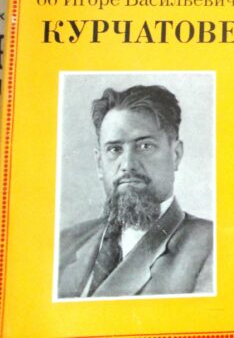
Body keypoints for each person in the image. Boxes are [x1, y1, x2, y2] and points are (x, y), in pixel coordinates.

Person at [58, 85, 213, 298]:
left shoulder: (212, 247)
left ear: (176, 155)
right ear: (99, 164)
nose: (128, 165)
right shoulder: (64, 244)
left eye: (145, 146)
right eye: (115, 149)